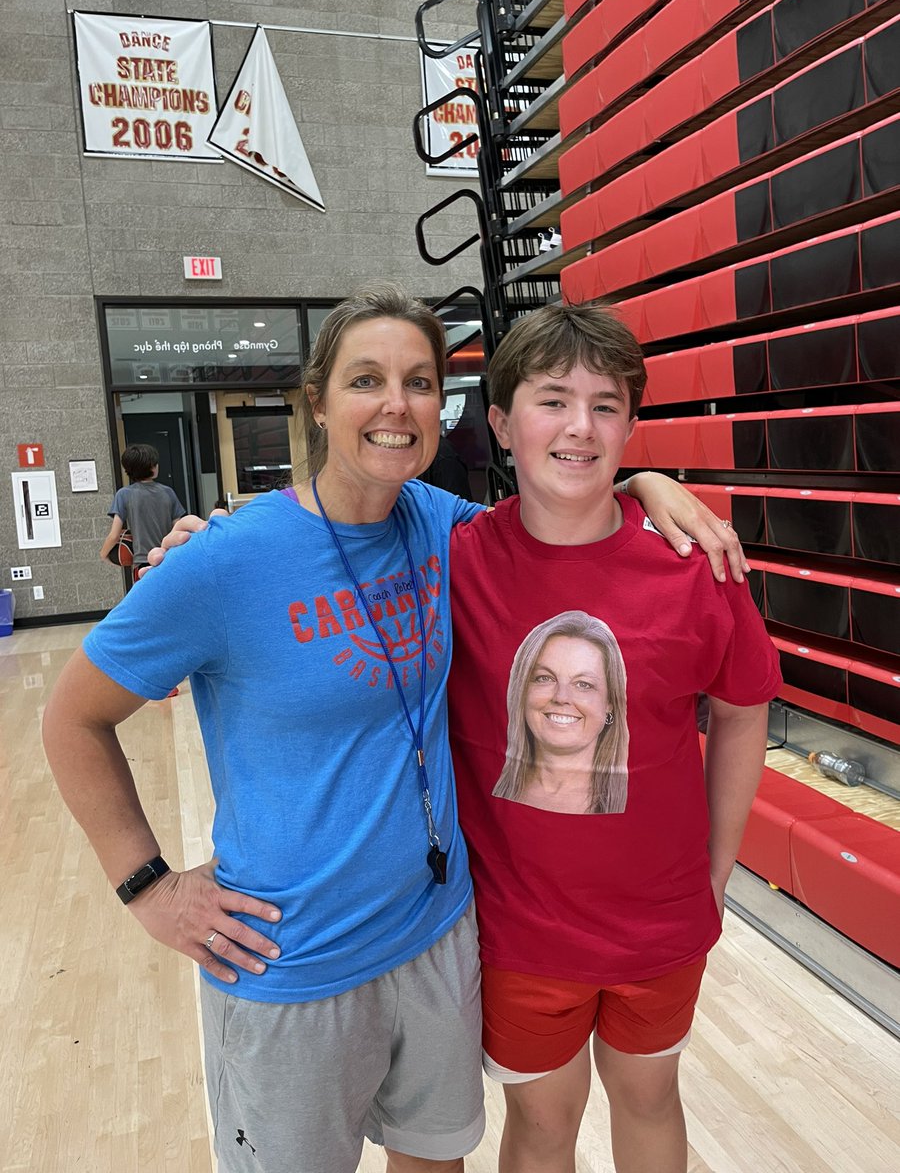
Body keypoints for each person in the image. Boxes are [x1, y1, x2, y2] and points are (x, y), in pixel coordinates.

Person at [44, 284, 750, 1173]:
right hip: (288, 960)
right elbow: (70, 717)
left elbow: (562, 506)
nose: (396, 404)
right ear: (318, 401)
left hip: (438, 937)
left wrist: (648, 482)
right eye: (366, 379)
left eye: (419, 382)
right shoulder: (226, 559)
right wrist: (146, 885)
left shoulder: (442, 528)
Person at [447, 302, 781, 1173]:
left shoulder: (694, 565)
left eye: (605, 404)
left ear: (632, 425)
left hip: (661, 924)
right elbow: (336, 523)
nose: (579, 426)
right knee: (544, 1125)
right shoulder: (453, 560)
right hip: (520, 930)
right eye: (552, 399)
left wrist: (716, 874)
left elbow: (745, 710)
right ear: (500, 423)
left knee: (649, 1098)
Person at [492, 611, 629, 815]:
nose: (561, 697)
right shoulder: (482, 788)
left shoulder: (647, 801)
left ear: (610, 703)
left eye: (583, 684)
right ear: (522, 691)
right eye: (544, 678)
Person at [99, 443, 186, 574]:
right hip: (167, 558)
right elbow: (179, 529)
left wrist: (103, 554)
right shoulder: (168, 492)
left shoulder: (124, 494)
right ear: (152, 467)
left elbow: (114, 535)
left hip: (142, 562)